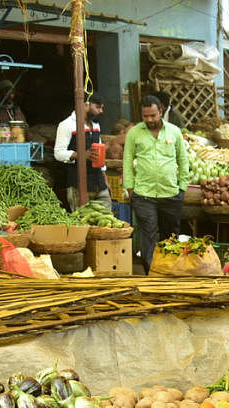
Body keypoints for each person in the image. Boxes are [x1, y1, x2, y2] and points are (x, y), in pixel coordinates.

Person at [123, 95, 190, 274]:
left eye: (153, 115)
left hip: (171, 194)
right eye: (146, 116)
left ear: (160, 111)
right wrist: (130, 190)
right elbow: (127, 162)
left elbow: (183, 160)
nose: (150, 120)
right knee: (148, 236)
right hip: (144, 195)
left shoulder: (174, 131)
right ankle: (152, 273)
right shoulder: (134, 133)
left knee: (170, 236)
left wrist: (182, 188)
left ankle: (170, 272)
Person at [54, 93, 110, 211]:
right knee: (83, 223)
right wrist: (81, 155)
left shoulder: (96, 125)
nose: (101, 111)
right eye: (98, 107)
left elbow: (99, 155)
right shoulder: (67, 125)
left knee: (106, 220)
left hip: (99, 183)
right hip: (77, 184)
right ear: (85, 105)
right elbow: (58, 153)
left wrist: (105, 180)